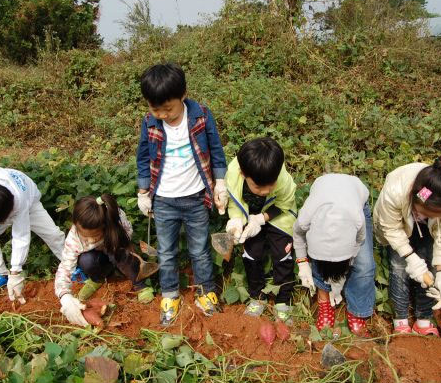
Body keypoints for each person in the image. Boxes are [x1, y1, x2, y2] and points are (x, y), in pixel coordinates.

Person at [136, 63, 228, 326]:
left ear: (183, 96)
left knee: (199, 250)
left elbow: (216, 149)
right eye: (156, 109)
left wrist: (219, 183)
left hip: (197, 197)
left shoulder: (201, 116)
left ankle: (205, 291)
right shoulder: (149, 122)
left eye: (169, 109)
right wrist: (143, 191)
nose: (163, 115)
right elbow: (143, 157)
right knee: (166, 252)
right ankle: (170, 295)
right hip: (164, 200)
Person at [373, 153, 441, 336]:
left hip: (430, 230)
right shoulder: (396, 190)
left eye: (436, 215)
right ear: (416, 198)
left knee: (430, 265)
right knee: (399, 265)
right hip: (398, 225)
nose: (431, 216)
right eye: (427, 212)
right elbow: (391, 229)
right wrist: (411, 258)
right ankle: (401, 318)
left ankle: (424, 318)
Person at [225, 137, 297, 324]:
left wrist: (261, 219)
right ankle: (257, 297)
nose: (265, 191)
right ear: (243, 174)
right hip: (249, 214)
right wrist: (236, 221)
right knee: (251, 255)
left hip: (278, 215)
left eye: (270, 186)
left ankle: (283, 301)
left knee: (283, 255)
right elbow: (234, 202)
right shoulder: (233, 174)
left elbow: (284, 204)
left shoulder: (283, 179)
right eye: (258, 186)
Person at [55, 195, 157, 327]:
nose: (90, 241)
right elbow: (65, 268)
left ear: (103, 226)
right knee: (86, 260)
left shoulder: (113, 215)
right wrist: (64, 296)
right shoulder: (73, 240)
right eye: (85, 237)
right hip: (98, 258)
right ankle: (97, 278)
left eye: (94, 236)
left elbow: (128, 233)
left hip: (115, 247)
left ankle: (140, 284)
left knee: (117, 250)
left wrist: (112, 242)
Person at [292, 174, 374, 336]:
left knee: (364, 265)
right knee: (320, 262)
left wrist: (348, 261)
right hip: (322, 195)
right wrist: (303, 263)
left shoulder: (357, 219)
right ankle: (324, 302)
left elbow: (359, 242)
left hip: (355, 198)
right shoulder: (306, 218)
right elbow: (298, 235)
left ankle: (357, 309)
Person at [0, 165, 65, 301]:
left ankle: (71, 266)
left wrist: (16, 271)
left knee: (53, 234)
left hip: (29, 202)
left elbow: (20, 237)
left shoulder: (19, 201)